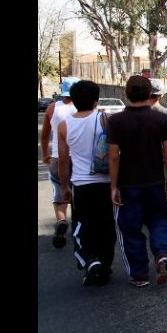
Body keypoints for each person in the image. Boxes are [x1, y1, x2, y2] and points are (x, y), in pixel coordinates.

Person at [108, 75, 167, 287]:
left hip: (128, 185)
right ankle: (163, 254)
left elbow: (113, 156)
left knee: (130, 229)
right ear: (149, 94)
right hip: (155, 182)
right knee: (159, 221)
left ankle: (139, 275)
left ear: (126, 94)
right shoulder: (161, 119)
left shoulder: (116, 120)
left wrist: (113, 186)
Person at [57, 80, 116, 286]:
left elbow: (64, 160)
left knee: (83, 225)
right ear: (95, 99)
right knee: (107, 226)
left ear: (73, 101)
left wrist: (64, 187)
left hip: (81, 185)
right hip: (105, 183)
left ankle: (90, 259)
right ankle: (105, 267)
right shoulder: (105, 119)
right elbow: (115, 151)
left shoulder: (65, 125)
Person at [40, 77, 80, 248]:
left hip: (57, 158)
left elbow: (44, 135)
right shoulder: (83, 108)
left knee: (59, 193)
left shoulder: (51, 108)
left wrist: (45, 154)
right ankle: (79, 227)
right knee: (78, 193)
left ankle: (62, 220)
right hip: (79, 159)